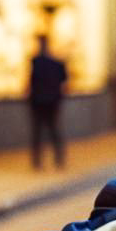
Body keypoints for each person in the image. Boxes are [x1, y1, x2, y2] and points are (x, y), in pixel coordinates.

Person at [29, 34, 67, 169]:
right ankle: (57, 159)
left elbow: (31, 83)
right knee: (52, 131)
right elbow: (64, 82)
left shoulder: (36, 62)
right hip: (50, 102)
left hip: (40, 102)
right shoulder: (56, 63)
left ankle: (39, 162)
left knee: (41, 133)